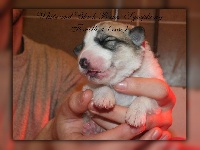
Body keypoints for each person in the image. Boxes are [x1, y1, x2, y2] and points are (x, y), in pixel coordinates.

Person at [13, 9, 175, 141]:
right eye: (84, 47)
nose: (83, 58)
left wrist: (145, 104)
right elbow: (89, 94)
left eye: (106, 42)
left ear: (139, 42)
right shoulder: (74, 72)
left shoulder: (61, 68)